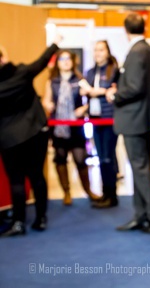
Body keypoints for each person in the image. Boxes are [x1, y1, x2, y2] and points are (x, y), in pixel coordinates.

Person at [107, 13, 150, 233]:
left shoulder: (136, 52)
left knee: (140, 168)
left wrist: (114, 95)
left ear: (125, 31)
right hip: (145, 117)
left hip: (134, 118)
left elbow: (134, 87)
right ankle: (141, 214)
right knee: (140, 167)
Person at [0, 37, 61, 236]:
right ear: (4, 57)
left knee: (16, 181)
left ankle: (18, 222)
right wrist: (55, 43)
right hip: (35, 133)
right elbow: (42, 61)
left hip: (8, 139)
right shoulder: (22, 73)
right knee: (37, 176)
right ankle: (40, 218)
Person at [44, 50, 101, 206]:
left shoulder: (80, 79)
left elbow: (92, 97)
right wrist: (49, 105)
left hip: (76, 127)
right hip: (59, 128)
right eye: (62, 59)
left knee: (80, 158)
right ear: (57, 62)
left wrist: (82, 110)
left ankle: (88, 191)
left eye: (68, 58)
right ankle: (66, 192)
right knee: (60, 158)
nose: (65, 61)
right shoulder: (52, 81)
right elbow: (46, 100)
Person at [81, 40, 119, 208]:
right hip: (95, 118)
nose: (98, 53)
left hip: (110, 117)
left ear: (107, 52)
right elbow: (85, 91)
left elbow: (117, 91)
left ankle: (112, 195)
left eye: (101, 50)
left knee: (108, 157)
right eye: (95, 50)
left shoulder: (114, 71)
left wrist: (102, 92)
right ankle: (105, 193)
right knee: (101, 157)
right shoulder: (89, 72)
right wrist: (85, 92)